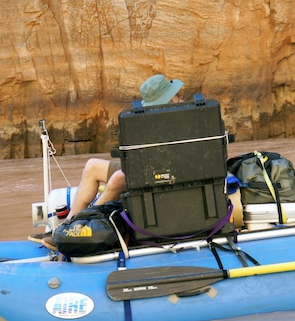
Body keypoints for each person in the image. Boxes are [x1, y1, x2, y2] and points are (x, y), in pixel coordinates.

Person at [30, 74, 184, 246]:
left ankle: (77, 228)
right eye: (178, 94)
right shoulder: (154, 119)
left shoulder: (186, 118)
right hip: (144, 167)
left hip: (164, 173)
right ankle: (67, 225)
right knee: (92, 167)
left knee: (118, 178)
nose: (181, 97)